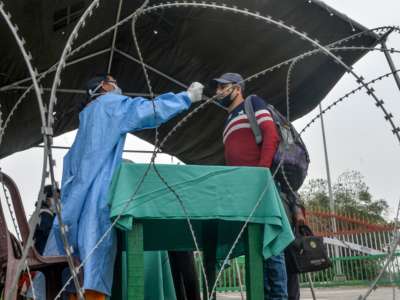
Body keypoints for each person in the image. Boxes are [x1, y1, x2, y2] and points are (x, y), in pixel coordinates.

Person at [44, 74, 204, 300]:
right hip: (95, 203)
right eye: (113, 81)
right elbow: (146, 111)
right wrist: (185, 98)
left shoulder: (86, 119)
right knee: (94, 266)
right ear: (102, 86)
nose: (117, 85)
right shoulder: (108, 104)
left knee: (73, 270)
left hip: (72, 209)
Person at [212, 72, 303, 300]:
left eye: (223, 87)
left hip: (260, 183)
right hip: (243, 188)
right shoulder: (228, 120)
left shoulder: (253, 104)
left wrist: (261, 172)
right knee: (255, 246)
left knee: (271, 244)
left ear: (237, 88)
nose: (218, 92)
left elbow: (270, 135)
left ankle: (278, 296)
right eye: (217, 88)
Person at [33, 185, 58, 254]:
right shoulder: (45, 215)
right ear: (47, 200)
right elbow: (54, 238)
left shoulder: (39, 214)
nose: (58, 201)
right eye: (56, 198)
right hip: (44, 256)